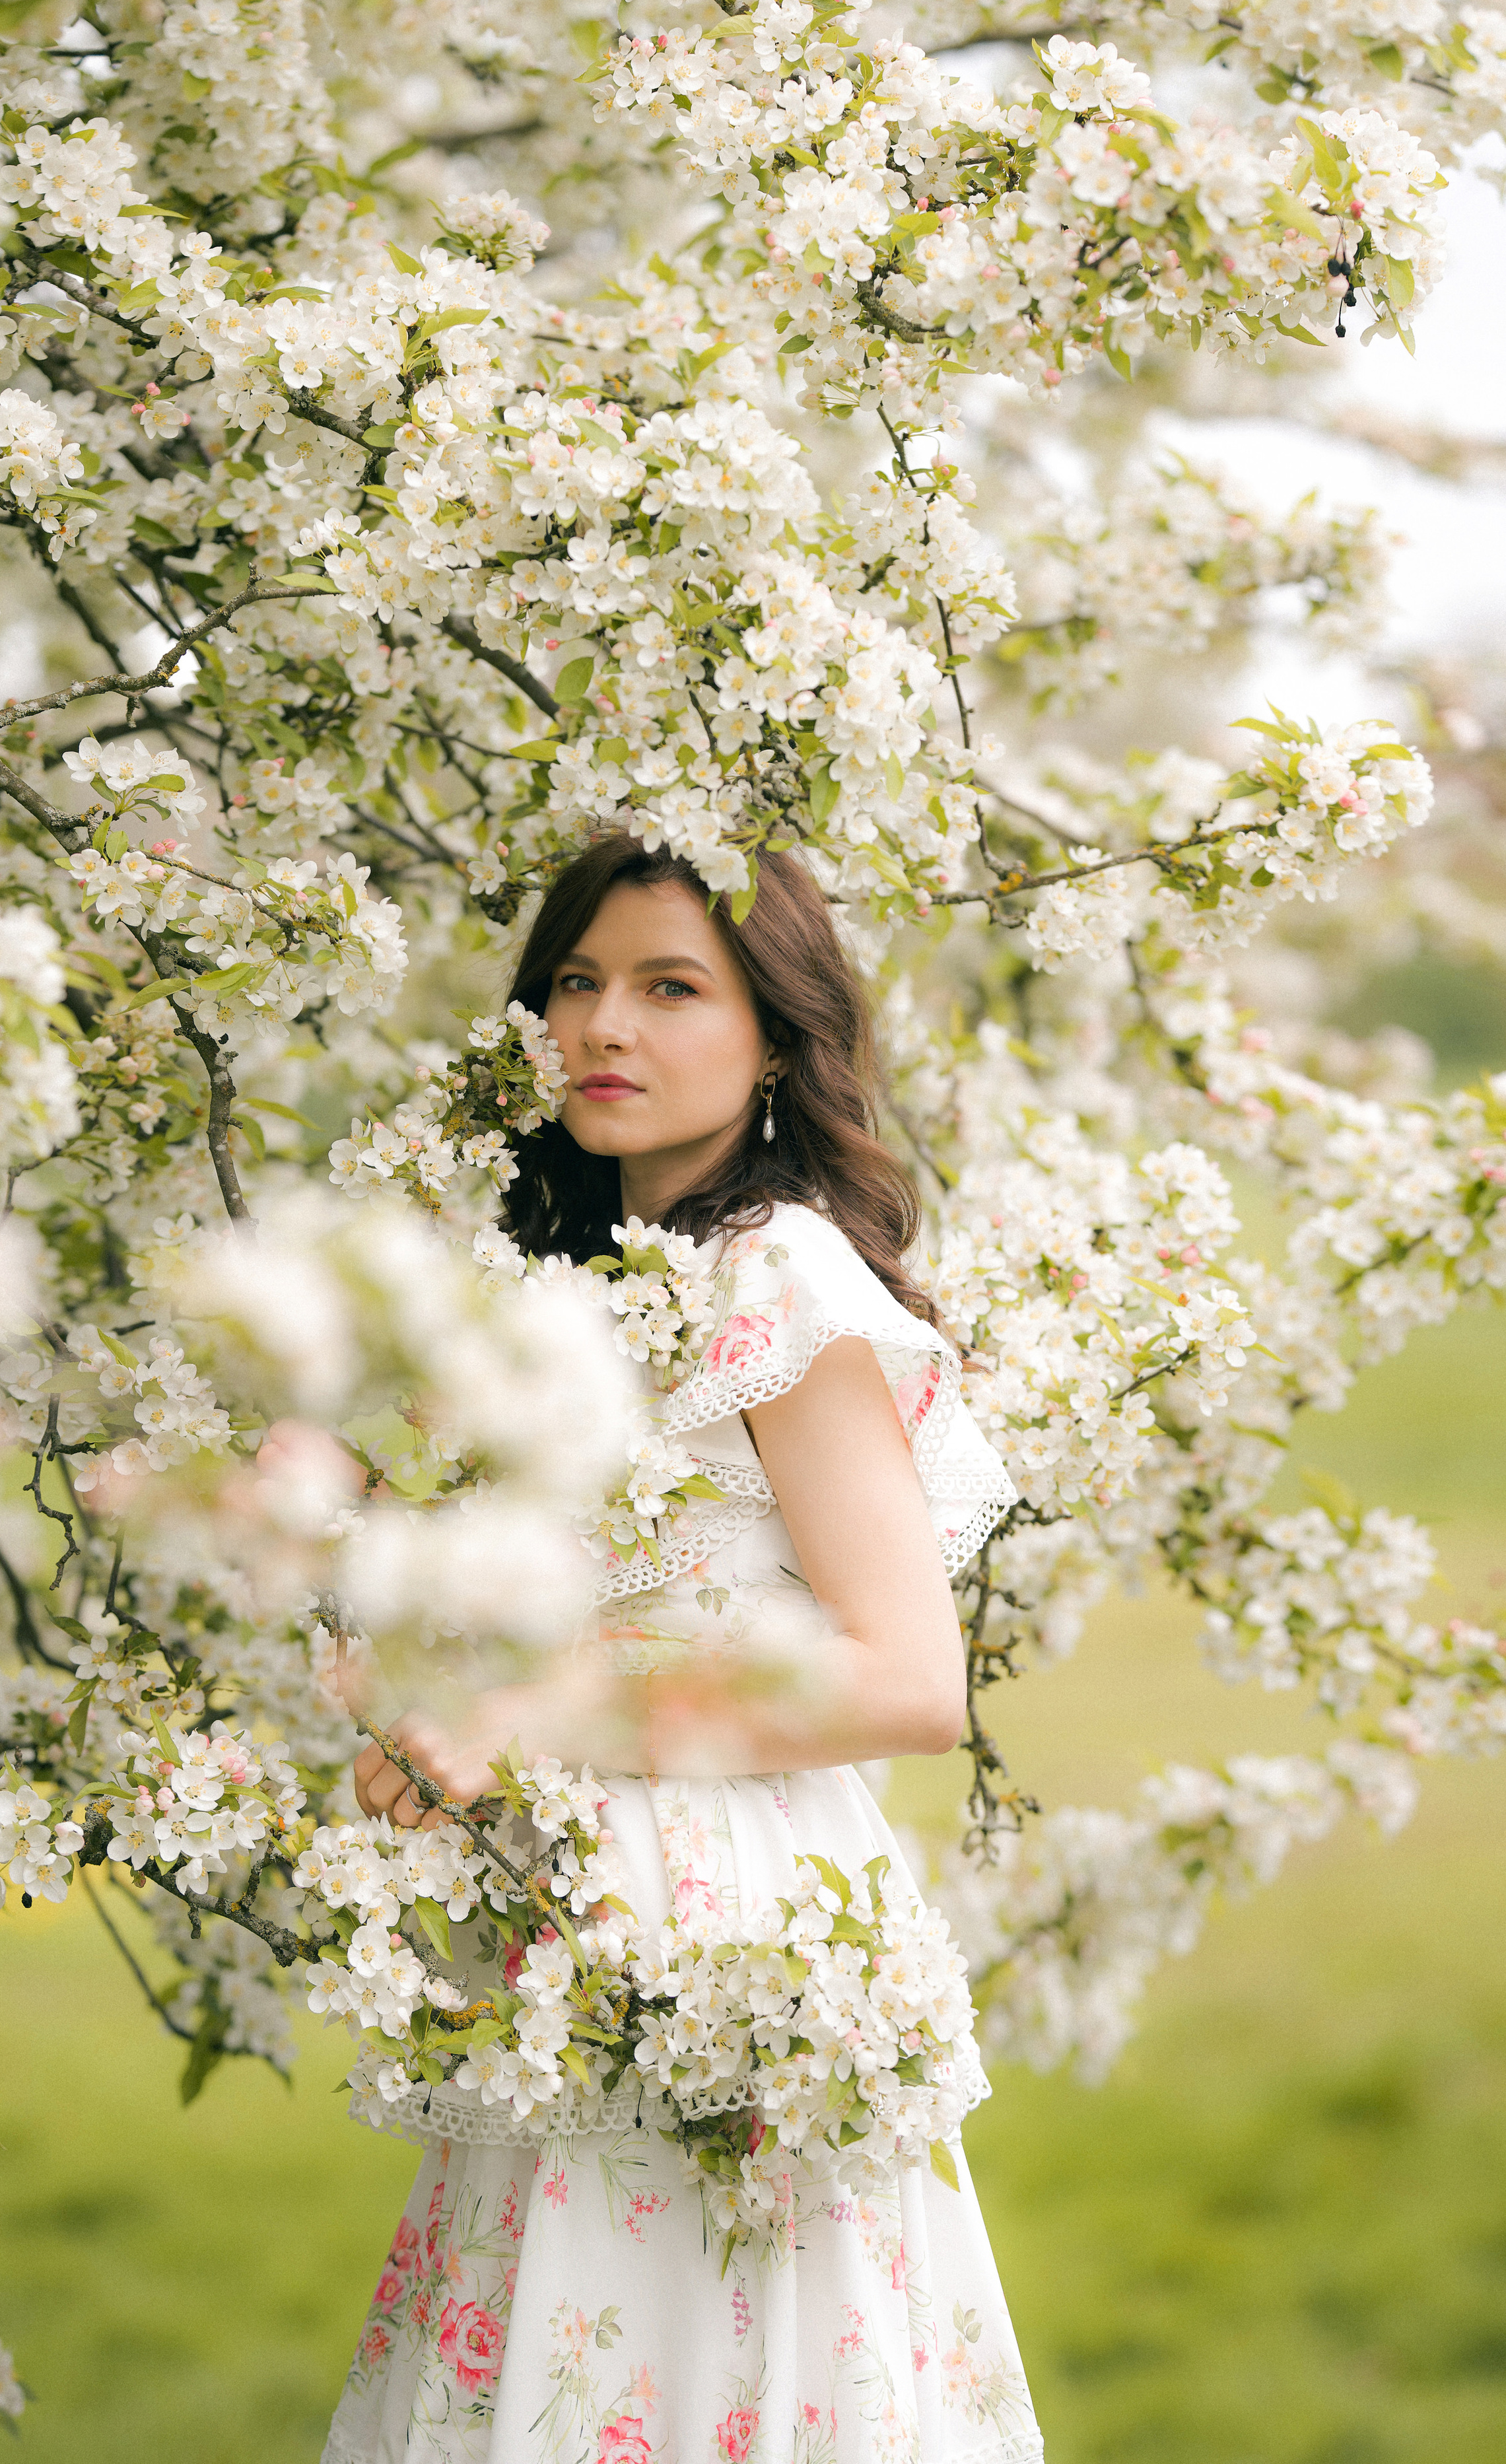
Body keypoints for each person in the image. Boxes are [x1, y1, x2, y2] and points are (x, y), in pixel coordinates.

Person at [323, 837, 1043, 2464]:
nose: (603, 1026)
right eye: (576, 982)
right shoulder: (568, 1287)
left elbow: (908, 1681)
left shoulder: (774, 1272)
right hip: (575, 1935)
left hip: (732, 1948)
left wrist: (532, 1712)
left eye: (670, 988)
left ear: (775, 1038)